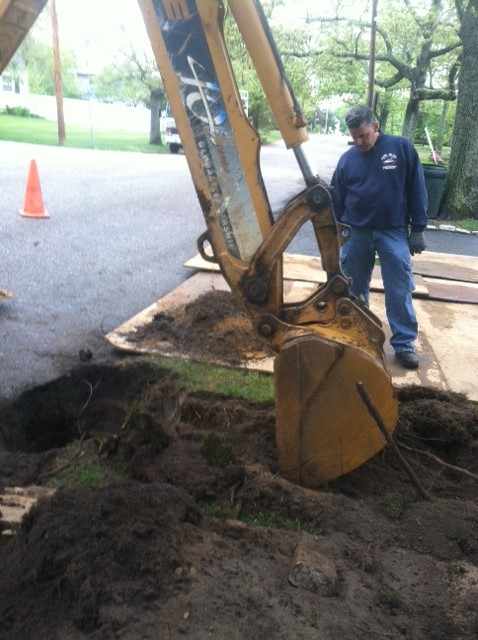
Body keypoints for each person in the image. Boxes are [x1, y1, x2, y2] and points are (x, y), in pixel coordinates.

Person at [330, 105, 428, 369]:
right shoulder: (347, 160)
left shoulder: (401, 149)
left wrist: (418, 228)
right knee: (353, 288)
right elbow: (337, 198)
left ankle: (404, 344)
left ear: (375, 127)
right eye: (354, 137)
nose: (358, 142)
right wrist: (338, 231)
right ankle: (356, 336)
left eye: (363, 135)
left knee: (399, 288)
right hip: (356, 231)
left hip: (392, 230)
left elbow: (416, 187)